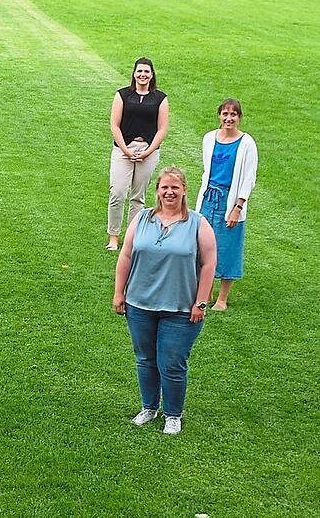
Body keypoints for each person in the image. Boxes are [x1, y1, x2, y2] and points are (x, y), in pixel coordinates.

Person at [113, 167, 216, 435]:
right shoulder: (142, 219)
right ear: (157, 190)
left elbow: (209, 264)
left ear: (184, 191)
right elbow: (125, 256)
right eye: (164, 187)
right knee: (145, 359)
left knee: (171, 363)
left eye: (175, 188)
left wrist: (201, 302)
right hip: (140, 305)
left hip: (180, 309)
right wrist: (119, 292)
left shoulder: (197, 223)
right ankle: (149, 407)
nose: (169, 192)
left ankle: (173, 414)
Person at [195, 98, 258, 311]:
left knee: (228, 246)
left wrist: (238, 207)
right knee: (203, 244)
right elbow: (207, 170)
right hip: (209, 197)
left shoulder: (247, 143)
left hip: (229, 201)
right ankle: (206, 289)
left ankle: (222, 297)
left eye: (233, 114)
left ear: (239, 117)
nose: (228, 118)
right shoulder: (209, 139)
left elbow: (248, 178)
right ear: (219, 115)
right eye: (225, 114)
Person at [107, 57, 170, 251]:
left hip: (148, 151)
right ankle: (114, 237)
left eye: (146, 72)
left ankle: (132, 238)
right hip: (123, 149)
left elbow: (162, 129)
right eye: (139, 71)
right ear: (134, 73)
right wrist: (126, 150)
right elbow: (114, 125)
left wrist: (148, 151)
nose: (142, 75)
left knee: (138, 197)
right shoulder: (122, 95)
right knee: (117, 193)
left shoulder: (160, 98)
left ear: (152, 75)